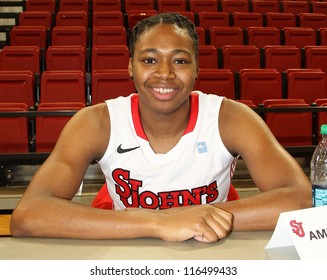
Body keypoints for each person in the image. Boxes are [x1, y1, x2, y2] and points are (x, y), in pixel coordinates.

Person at [10, 13, 311, 243]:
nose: (165, 74)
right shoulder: (96, 122)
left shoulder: (230, 118)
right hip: (128, 248)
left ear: (196, 69)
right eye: (150, 59)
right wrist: (161, 223)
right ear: (131, 67)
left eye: (180, 60)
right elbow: (28, 215)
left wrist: (202, 219)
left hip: (212, 249)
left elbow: (299, 198)